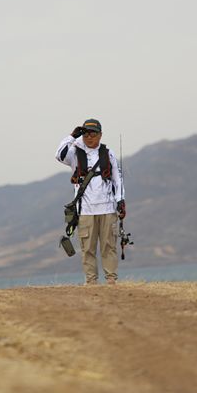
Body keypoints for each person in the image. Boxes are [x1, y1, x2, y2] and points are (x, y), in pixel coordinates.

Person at [55, 118, 126, 285]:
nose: (89, 137)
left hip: (108, 209)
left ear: (100, 135)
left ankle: (111, 280)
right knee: (88, 249)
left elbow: (118, 179)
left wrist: (120, 200)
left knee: (109, 246)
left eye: (93, 133)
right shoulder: (74, 153)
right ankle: (91, 282)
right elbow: (59, 155)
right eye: (85, 133)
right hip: (85, 210)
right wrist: (71, 136)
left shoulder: (108, 154)